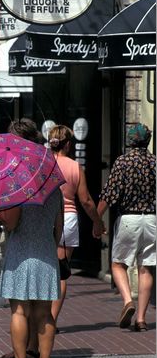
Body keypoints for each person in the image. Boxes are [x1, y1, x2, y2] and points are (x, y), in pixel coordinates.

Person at [0, 118, 64, 358]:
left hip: (21, 251)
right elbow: (59, 226)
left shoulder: (15, 180)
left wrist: (2, 215)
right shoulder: (51, 179)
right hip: (46, 250)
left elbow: (12, 224)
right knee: (45, 312)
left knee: (20, 310)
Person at [97, 123, 156, 332]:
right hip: (151, 220)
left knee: (118, 264)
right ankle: (141, 319)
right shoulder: (155, 162)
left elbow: (110, 193)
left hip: (129, 219)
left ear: (130, 140)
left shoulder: (123, 162)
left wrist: (97, 219)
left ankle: (127, 301)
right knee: (146, 267)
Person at [47, 125, 105, 328]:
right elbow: (86, 200)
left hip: (45, 218)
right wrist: (97, 221)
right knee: (61, 271)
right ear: (68, 144)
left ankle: (39, 316)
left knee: (43, 269)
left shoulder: (42, 164)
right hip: (67, 217)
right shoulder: (74, 167)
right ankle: (51, 320)